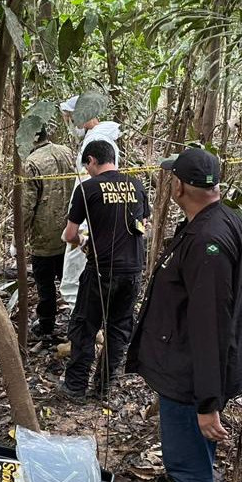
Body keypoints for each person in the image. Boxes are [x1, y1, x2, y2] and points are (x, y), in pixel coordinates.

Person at [126, 147, 242, 482]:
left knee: (190, 465)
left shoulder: (207, 240)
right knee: (197, 457)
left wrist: (207, 401)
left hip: (192, 378)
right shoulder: (224, 219)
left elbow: (209, 323)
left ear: (180, 186)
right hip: (198, 370)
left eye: (171, 179)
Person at [59, 139, 149, 399]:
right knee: (119, 329)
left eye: (86, 166)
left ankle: (75, 387)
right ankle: (104, 387)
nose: (87, 171)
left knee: (85, 326)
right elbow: (141, 224)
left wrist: (83, 241)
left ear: (91, 161)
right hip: (133, 270)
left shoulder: (88, 189)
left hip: (102, 271)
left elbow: (70, 234)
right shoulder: (137, 184)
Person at [59, 95, 123, 310]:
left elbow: (93, 182)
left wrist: (79, 222)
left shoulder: (98, 141)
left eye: (70, 116)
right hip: (94, 211)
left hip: (90, 213)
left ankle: (82, 328)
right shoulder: (98, 138)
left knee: (76, 269)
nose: (69, 121)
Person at [21, 127, 77, 339]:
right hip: (71, 229)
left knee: (45, 284)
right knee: (70, 278)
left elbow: (27, 205)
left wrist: (19, 237)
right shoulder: (66, 152)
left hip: (44, 235)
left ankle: (46, 323)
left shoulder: (32, 163)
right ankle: (76, 320)